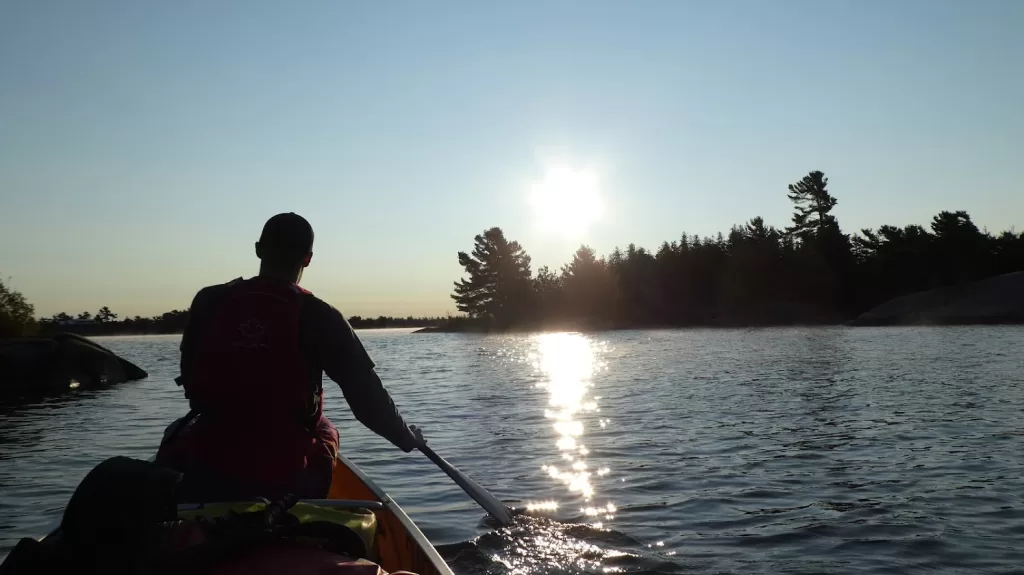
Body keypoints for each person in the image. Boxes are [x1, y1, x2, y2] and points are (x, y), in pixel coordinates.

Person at [156, 213, 424, 501]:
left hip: (206, 466)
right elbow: (367, 400)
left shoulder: (208, 301)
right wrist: (406, 437)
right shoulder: (319, 314)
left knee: (179, 429)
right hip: (282, 478)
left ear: (258, 249)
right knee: (325, 428)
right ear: (308, 258)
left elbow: (191, 380)